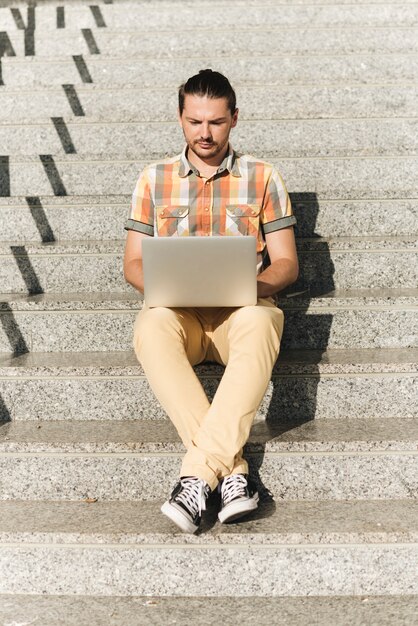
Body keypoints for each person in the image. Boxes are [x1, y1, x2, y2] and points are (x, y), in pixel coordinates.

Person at [123, 69, 299, 534]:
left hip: (242, 314)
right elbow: (133, 265)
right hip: (180, 317)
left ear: (234, 119)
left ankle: (198, 477)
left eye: (216, 122)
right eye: (195, 121)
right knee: (149, 326)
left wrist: (250, 287)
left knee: (263, 323)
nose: (205, 133)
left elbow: (286, 264)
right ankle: (233, 475)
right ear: (180, 119)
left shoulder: (263, 176)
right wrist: (166, 288)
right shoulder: (153, 179)